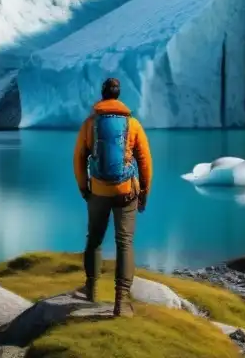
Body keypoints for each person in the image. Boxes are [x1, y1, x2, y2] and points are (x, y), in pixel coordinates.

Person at [73, 77, 153, 317]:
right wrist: (144, 192)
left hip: (97, 190)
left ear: (102, 94)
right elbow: (145, 161)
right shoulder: (133, 124)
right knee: (124, 243)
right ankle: (121, 300)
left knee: (94, 239)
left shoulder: (90, 123)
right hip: (126, 191)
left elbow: (78, 158)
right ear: (118, 96)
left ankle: (90, 288)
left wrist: (84, 187)